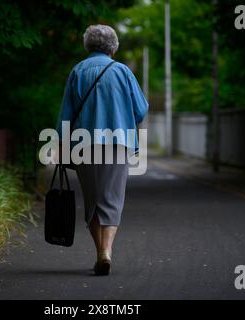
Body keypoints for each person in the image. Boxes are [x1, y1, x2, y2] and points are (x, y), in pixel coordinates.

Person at [56, 24, 149, 275]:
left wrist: (61, 145)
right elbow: (140, 109)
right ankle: (107, 252)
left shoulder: (78, 71)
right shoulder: (123, 72)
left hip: (84, 144)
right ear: (114, 47)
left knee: (93, 200)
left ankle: (100, 253)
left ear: (88, 45)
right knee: (113, 199)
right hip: (118, 142)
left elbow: (65, 115)